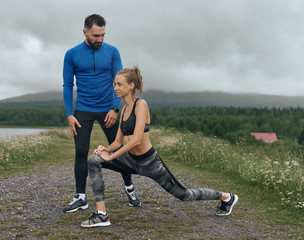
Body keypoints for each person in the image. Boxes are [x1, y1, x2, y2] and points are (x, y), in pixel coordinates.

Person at [80, 66, 239, 227]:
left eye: (119, 84)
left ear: (131, 85)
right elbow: (117, 141)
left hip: (149, 162)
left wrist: (111, 156)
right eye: (114, 84)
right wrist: (105, 150)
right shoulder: (125, 109)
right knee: (94, 160)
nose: (115, 88)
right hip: (130, 160)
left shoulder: (141, 105)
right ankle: (101, 215)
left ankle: (226, 197)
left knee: (184, 194)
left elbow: (136, 140)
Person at [62, 14, 141, 213]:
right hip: (83, 110)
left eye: (103, 35)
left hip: (108, 109)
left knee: (118, 150)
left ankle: (129, 188)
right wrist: (69, 114)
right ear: (85, 32)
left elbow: (120, 81)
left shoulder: (112, 52)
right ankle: (81, 197)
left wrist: (115, 108)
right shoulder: (71, 54)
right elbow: (67, 85)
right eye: (96, 35)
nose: (100, 39)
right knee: (81, 152)